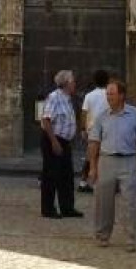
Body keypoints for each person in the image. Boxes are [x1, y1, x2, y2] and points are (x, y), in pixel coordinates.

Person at [87, 79, 136, 252]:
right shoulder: (102, 116)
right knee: (103, 201)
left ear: (122, 95)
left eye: (112, 94)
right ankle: (102, 235)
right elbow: (94, 142)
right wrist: (93, 167)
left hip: (128, 161)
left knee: (129, 201)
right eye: (107, 94)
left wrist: (133, 145)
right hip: (106, 160)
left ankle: (130, 238)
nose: (109, 97)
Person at [40, 70, 84, 219]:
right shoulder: (54, 97)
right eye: (72, 82)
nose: (74, 84)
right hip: (54, 139)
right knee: (51, 175)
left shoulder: (68, 99)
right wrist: (54, 141)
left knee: (66, 175)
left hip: (65, 141)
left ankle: (67, 207)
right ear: (66, 83)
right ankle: (48, 208)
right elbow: (46, 119)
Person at [78, 69, 111, 193]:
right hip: (107, 129)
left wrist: (83, 129)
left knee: (90, 156)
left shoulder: (89, 96)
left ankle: (84, 181)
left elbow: (84, 113)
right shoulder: (110, 95)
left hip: (92, 130)